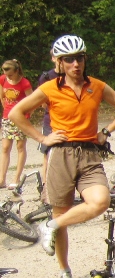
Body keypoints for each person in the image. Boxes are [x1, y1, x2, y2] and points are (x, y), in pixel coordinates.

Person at [9, 35, 115, 278]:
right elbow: (16, 113)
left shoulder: (96, 86)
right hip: (61, 154)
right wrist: (42, 138)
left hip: (89, 154)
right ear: (60, 62)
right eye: (69, 59)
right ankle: (64, 270)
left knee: (100, 202)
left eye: (79, 58)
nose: (75, 64)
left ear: (85, 59)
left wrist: (106, 132)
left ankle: (50, 225)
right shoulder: (50, 88)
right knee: (61, 212)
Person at [0, 59, 33, 189]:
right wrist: (7, 111)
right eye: (6, 74)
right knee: (5, 147)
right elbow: (2, 97)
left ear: (17, 71)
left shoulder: (24, 83)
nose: (8, 77)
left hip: (21, 118)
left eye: (10, 74)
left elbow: (32, 101)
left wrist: (25, 116)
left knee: (20, 147)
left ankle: (16, 178)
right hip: (7, 117)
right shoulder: (3, 79)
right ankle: (2, 179)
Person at [37, 50, 58, 184]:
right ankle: (45, 187)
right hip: (50, 121)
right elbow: (42, 103)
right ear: (53, 58)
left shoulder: (74, 76)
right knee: (47, 155)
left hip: (69, 123)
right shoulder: (46, 77)